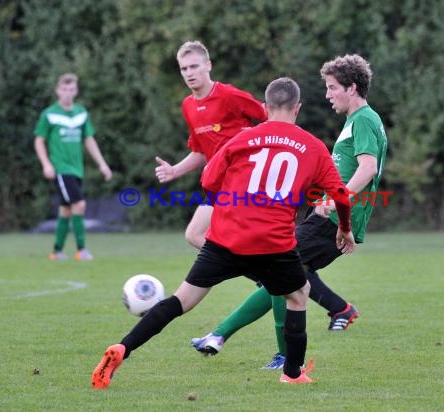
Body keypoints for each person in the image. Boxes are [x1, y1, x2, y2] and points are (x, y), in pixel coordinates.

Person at [91, 77, 355, 388]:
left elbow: (209, 181)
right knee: (298, 296)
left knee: (181, 300)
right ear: (298, 108)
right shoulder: (313, 147)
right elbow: (340, 194)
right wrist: (345, 229)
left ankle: (123, 348)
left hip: (225, 239)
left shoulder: (242, 139)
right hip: (273, 244)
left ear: (266, 108)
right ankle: (293, 373)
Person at [190, 53, 388, 370]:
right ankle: (332, 314)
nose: (327, 94)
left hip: (333, 218)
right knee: (289, 279)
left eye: (332, 87)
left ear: (352, 88)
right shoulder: (361, 120)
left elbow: (368, 167)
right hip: (329, 216)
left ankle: (225, 336)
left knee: (278, 279)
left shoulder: (363, 119)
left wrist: (338, 199)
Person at [154, 40, 267, 249]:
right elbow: (201, 150)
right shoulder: (188, 106)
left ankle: (273, 276)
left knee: (238, 238)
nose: (189, 73)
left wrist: (254, 134)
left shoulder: (229, 95)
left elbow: (271, 117)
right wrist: (175, 171)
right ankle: (266, 276)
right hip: (218, 183)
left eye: (194, 66)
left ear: (208, 65)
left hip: (244, 180)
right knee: (195, 235)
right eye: (184, 68)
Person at [34, 73, 112, 261]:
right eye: (64, 89)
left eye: (71, 89)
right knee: (79, 204)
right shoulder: (49, 114)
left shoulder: (81, 113)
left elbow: (89, 139)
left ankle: (57, 251)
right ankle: (81, 251)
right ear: (57, 91)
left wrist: (102, 164)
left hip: (77, 169)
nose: (68, 93)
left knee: (66, 210)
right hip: (61, 168)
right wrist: (46, 164)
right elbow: (39, 140)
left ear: (76, 91)